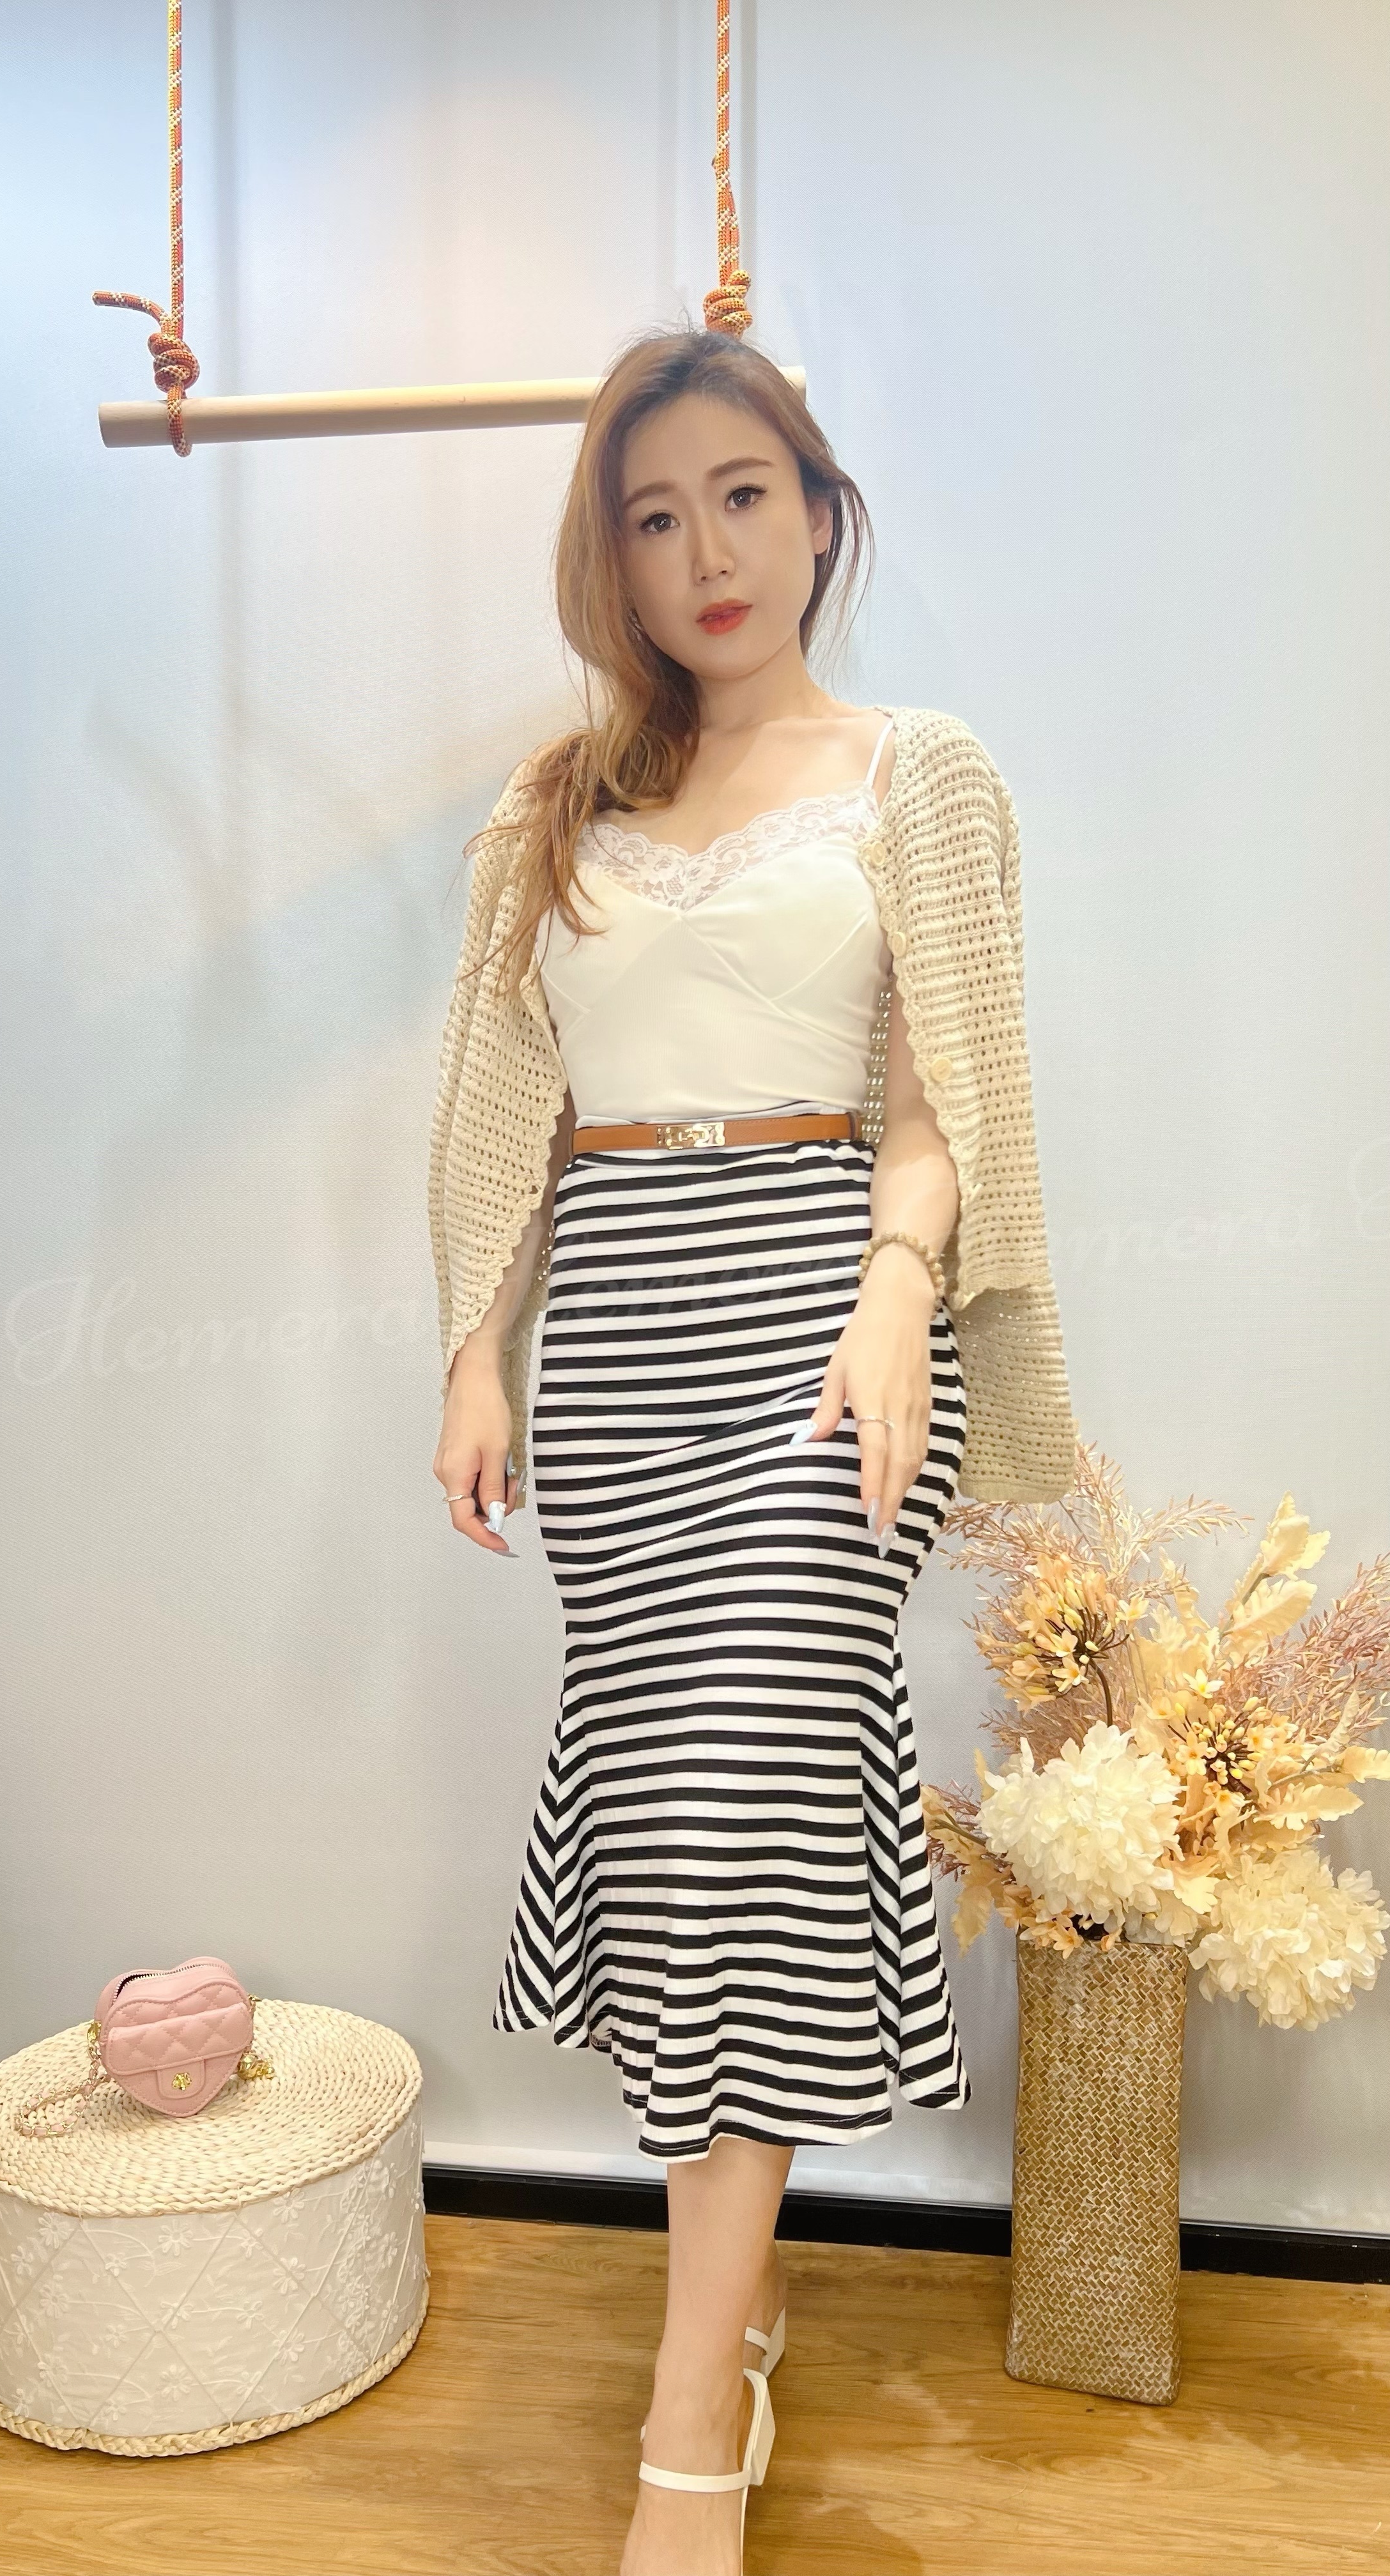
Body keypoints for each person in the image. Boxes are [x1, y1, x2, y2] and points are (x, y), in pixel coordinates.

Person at [429, 328, 1074, 2576]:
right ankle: (748, 2292)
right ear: (609, 559)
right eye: (651, 513)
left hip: (828, 1312)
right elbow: (499, 1107)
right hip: (620, 1335)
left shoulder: (919, 771)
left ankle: (688, 2418)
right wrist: (475, 1349)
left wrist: (899, 1291)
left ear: (816, 508)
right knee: (681, 1820)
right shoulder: (554, 808)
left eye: (740, 493)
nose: (704, 548)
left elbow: (951, 1087)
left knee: (747, 1798)